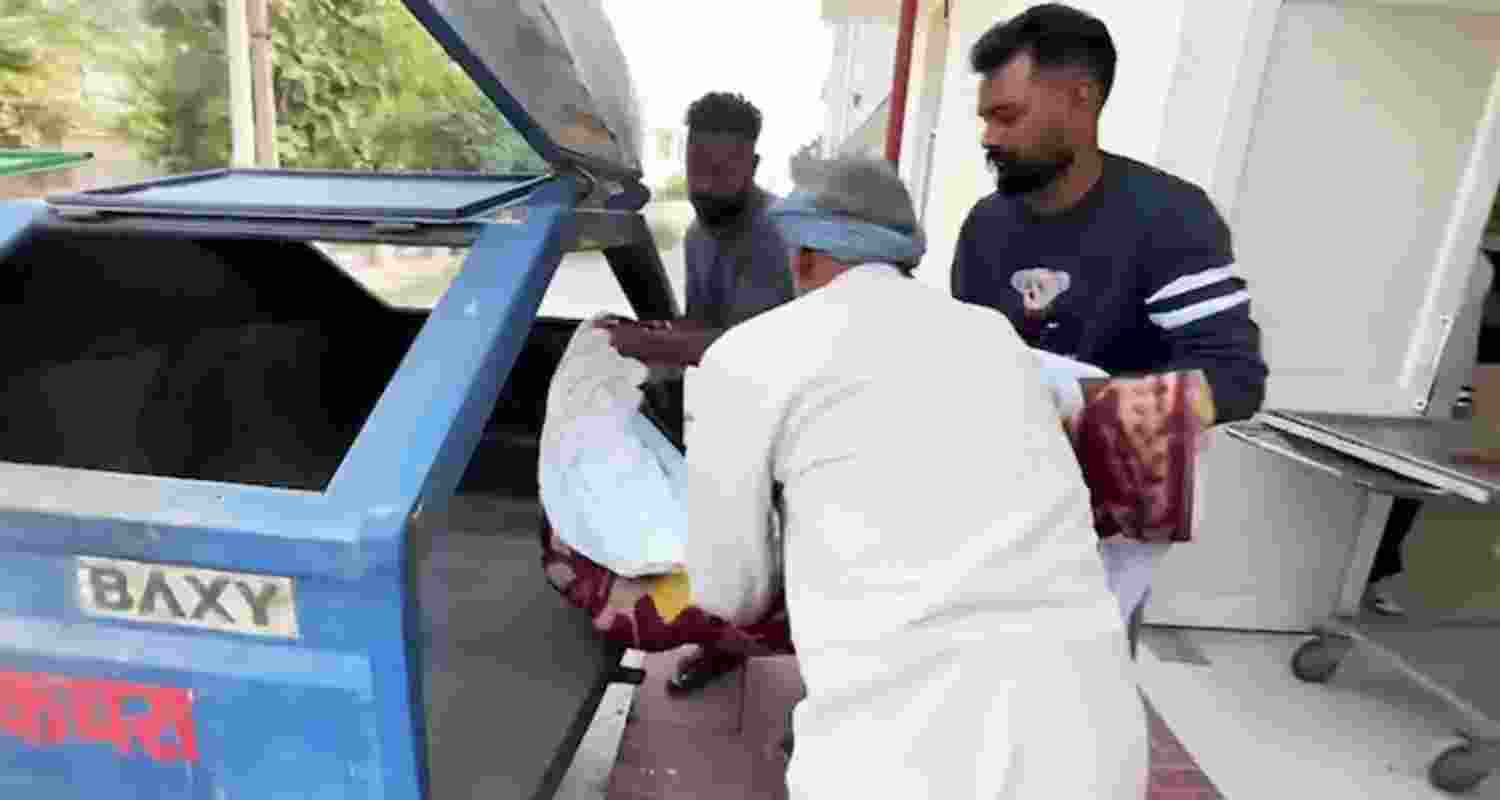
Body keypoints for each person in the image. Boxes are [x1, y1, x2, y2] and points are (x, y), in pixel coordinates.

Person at [685, 155, 1147, 799]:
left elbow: (729, 591)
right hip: (1094, 741)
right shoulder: (996, 339)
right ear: (905, 258)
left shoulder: (748, 355)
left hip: (903, 759)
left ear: (804, 256)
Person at [950, 4, 1269, 654]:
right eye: (985, 117)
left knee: (1075, 688)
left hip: (1108, 519)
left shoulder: (1168, 219)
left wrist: (1082, 412)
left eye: (1007, 116)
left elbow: (1235, 379)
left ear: (1080, 100)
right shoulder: (985, 227)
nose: (989, 137)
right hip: (997, 504)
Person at [604, 91, 797, 695]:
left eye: (722, 171)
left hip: (787, 412)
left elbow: (742, 348)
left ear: (753, 166)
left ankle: (812, 670)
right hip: (726, 407)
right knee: (719, 537)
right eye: (696, 166)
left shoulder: (775, 236)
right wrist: (648, 342)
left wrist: (646, 347)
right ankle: (720, 643)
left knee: (782, 545)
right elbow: (701, 322)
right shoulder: (697, 232)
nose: (705, 185)